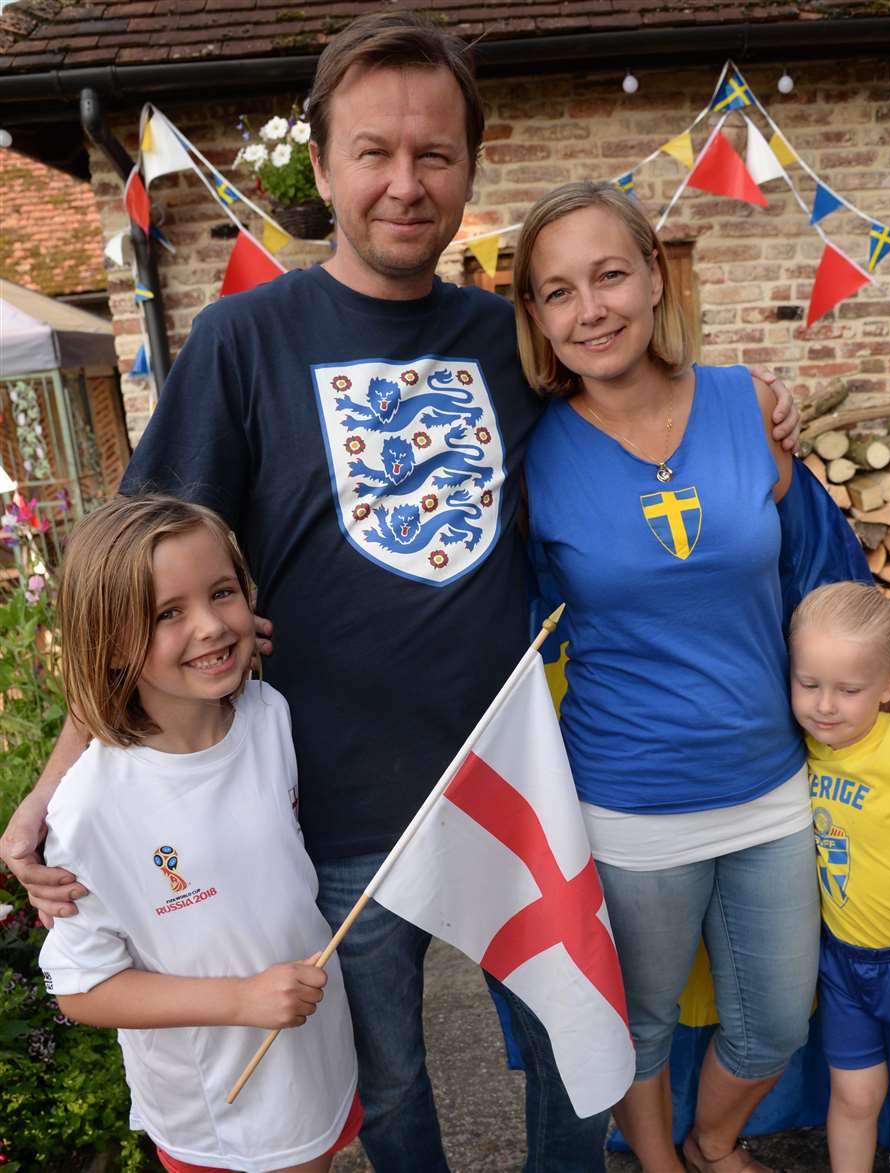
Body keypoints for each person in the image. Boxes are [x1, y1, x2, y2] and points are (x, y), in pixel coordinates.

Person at [0, 14, 799, 1172]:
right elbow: (130, 583)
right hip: (325, 812)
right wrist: (52, 783)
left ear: (471, 166)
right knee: (392, 1089)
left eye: (435, 154)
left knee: (572, 1048)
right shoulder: (237, 339)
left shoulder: (511, 340)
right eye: (374, 152)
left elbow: (634, 395)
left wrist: (741, 399)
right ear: (321, 166)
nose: (405, 182)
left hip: (510, 786)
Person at [515, 181, 890, 1173]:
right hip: (627, 800)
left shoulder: (749, 405)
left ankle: (713, 1137)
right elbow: (509, 625)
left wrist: (877, 682)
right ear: (535, 317)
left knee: (779, 1012)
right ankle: (661, 1165)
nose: (592, 309)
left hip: (771, 786)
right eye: (558, 292)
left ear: (656, 277)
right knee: (643, 1016)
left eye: (611, 274)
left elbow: (821, 569)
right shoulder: (529, 456)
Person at [38, 495, 361, 1173]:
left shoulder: (269, 713)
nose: (213, 626)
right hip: (217, 1108)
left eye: (222, 592)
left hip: (310, 1058)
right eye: (167, 613)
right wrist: (240, 1000)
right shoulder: (92, 805)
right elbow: (81, 986)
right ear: (111, 639)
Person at [788, 582, 890, 1173]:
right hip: (842, 960)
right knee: (854, 1094)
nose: (826, 705)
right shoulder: (793, 743)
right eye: (809, 684)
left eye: (849, 691)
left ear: (889, 688)